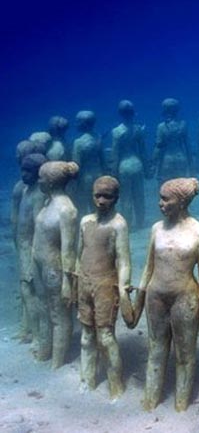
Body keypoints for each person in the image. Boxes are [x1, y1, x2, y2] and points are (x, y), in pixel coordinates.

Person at [130, 177, 199, 412]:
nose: (160, 203)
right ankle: (150, 400)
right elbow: (147, 268)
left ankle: (181, 405)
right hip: (155, 296)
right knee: (156, 349)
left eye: (166, 199)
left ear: (181, 202)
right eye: (160, 198)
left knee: (185, 353)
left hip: (186, 298)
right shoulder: (156, 229)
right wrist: (137, 302)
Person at [76, 176, 133, 400]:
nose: (101, 200)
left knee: (106, 337)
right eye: (97, 195)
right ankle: (87, 379)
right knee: (86, 336)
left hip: (105, 286)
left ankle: (116, 386)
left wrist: (123, 291)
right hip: (85, 283)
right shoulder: (85, 221)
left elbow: (124, 260)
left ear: (116, 198)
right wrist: (73, 283)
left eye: (107, 196)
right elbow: (79, 255)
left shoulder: (118, 224)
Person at [32, 161, 79, 368]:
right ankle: (44, 351)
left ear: (50, 182)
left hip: (54, 267)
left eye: (42, 178)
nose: (39, 181)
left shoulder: (66, 210)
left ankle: (58, 362)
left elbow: (68, 249)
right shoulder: (47, 202)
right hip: (41, 265)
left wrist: (68, 282)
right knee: (43, 309)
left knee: (59, 314)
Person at [11, 152, 47, 344]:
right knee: (25, 291)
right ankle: (27, 328)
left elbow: (37, 226)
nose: (24, 174)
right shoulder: (25, 190)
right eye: (22, 170)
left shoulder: (37, 196)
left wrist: (35, 256)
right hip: (23, 247)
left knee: (30, 291)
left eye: (28, 171)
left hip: (31, 249)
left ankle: (38, 335)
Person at [111, 100, 150, 229]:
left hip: (124, 167)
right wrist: (147, 168)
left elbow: (115, 155)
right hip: (137, 165)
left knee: (126, 197)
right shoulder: (138, 129)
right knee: (139, 196)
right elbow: (143, 152)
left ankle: (127, 224)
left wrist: (113, 173)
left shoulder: (116, 132)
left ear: (120, 113)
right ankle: (140, 223)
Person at [72, 111, 106, 216]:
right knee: (96, 204)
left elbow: (76, 165)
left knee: (82, 205)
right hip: (98, 175)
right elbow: (102, 159)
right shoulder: (98, 137)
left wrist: (73, 184)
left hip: (84, 178)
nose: (75, 124)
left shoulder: (78, 142)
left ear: (85, 124)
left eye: (78, 121)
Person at [152, 98, 192, 185]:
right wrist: (191, 164)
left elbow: (158, 147)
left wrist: (153, 165)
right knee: (181, 189)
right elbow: (188, 146)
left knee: (166, 189)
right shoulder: (183, 124)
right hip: (181, 159)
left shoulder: (161, 127)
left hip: (166, 162)